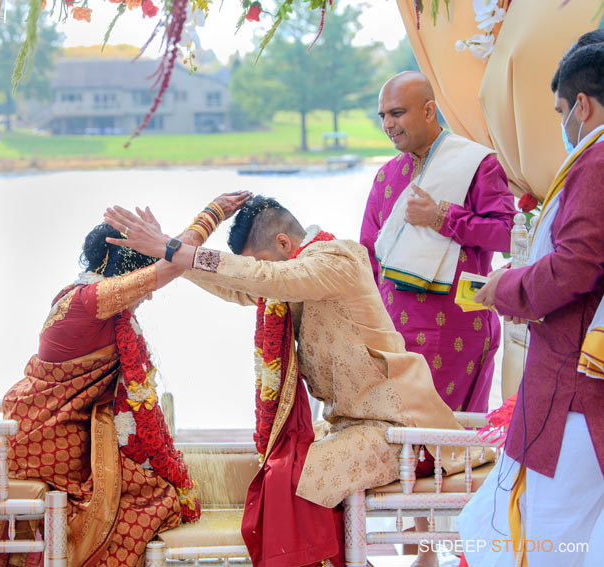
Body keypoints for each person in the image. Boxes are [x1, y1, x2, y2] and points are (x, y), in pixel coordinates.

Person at [104, 195, 473, 567]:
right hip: (354, 425)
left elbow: (263, 278)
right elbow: (241, 283)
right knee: (284, 461)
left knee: (296, 476)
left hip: (399, 426)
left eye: (260, 261)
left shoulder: (336, 259)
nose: (256, 272)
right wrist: (168, 252)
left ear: (283, 244)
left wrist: (171, 248)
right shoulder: (293, 274)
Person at [0, 192, 251, 567]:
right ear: (126, 275)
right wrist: (212, 214)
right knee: (155, 499)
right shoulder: (94, 301)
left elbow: (172, 258)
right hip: (50, 437)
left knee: (157, 489)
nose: (146, 299)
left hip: (52, 426)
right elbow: (173, 264)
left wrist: (213, 213)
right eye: (142, 286)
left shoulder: (83, 295)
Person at [458, 42, 604, 567]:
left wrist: (507, 288)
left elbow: (575, 266)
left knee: (549, 528)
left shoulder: (598, 160)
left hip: (576, 383)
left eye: (563, 113)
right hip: (575, 373)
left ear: (582, 105)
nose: (563, 125)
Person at [360, 71, 516, 415]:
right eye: (383, 115)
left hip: (458, 326)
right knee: (399, 441)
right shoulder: (387, 176)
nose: (388, 124)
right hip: (394, 333)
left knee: (448, 444)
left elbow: (506, 234)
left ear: (429, 111)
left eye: (397, 113)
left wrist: (441, 217)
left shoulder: (476, 164)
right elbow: (369, 259)